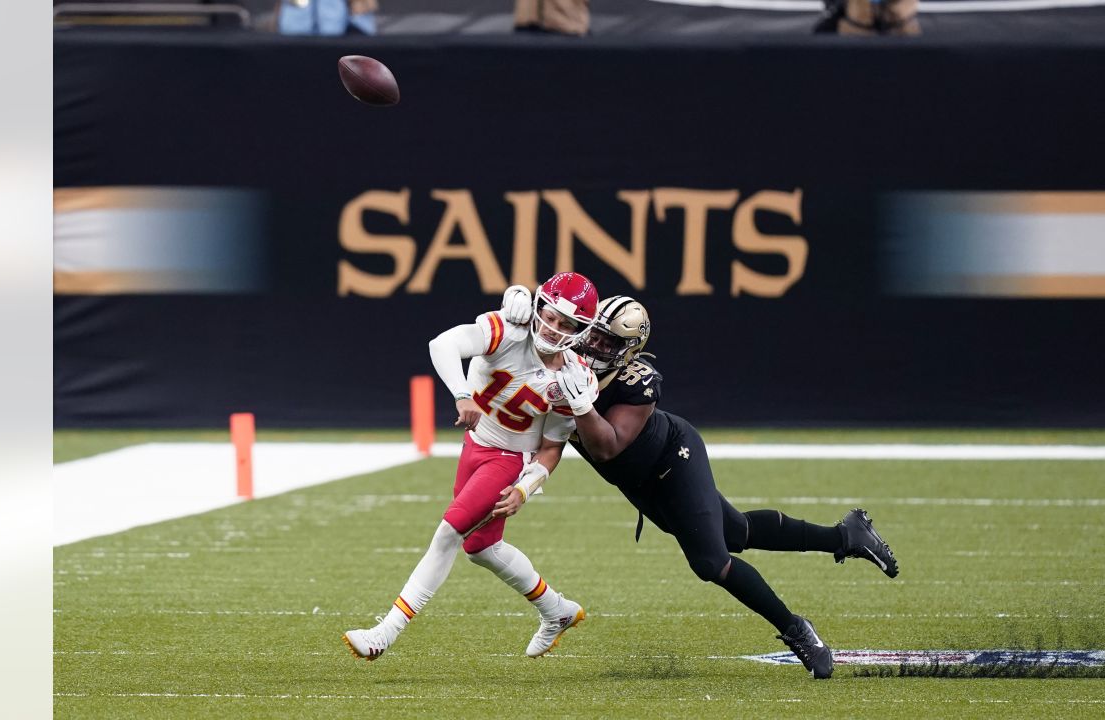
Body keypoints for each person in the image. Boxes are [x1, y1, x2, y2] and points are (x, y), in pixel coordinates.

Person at [515, 291, 899, 679]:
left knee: (710, 562)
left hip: (673, 459)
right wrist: (513, 309)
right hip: (639, 481)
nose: (596, 345)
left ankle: (797, 629)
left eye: (609, 341)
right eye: (595, 334)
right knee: (737, 531)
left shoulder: (638, 379)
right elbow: (518, 360)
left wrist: (582, 404)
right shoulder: (563, 355)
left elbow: (607, 447)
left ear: (628, 349)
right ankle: (845, 537)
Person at [343, 272, 600, 661]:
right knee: (481, 547)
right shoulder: (508, 329)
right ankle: (557, 610)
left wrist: (525, 488)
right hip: (475, 446)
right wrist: (463, 395)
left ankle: (386, 632)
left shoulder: (573, 379)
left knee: (448, 534)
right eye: (550, 315)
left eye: (567, 324)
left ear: (581, 331)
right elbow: (442, 344)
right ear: (538, 307)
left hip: (508, 459)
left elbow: (551, 448)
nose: (553, 328)